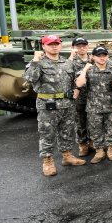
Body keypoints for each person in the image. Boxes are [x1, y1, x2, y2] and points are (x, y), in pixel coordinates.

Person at [24, 35, 86, 176]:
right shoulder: (38, 63)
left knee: (67, 131)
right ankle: (47, 161)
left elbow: (76, 80)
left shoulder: (67, 63)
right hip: (48, 105)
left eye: (56, 43)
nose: (54, 46)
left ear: (60, 45)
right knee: (47, 134)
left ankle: (67, 156)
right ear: (44, 46)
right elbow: (29, 78)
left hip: (67, 104)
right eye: (50, 44)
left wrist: (77, 90)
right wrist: (34, 60)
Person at [75, 45, 112, 163]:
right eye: (98, 56)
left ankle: (111, 149)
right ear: (93, 57)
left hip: (110, 104)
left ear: (107, 57)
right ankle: (99, 151)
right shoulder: (88, 71)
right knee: (95, 129)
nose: (101, 58)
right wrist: (85, 69)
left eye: (104, 55)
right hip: (94, 106)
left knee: (111, 128)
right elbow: (79, 84)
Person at [69, 37, 92, 157]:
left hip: (94, 95)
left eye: (84, 46)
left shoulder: (94, 59)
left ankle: (93, 141)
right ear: (74, 48)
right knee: (80, 121)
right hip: (79, 96)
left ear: (88, 47)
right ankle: (83, 144)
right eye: (78, 46)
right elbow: (65, 74)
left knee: (94, 121)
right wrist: (71, 57)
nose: (82, 48)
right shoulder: (71, 61)